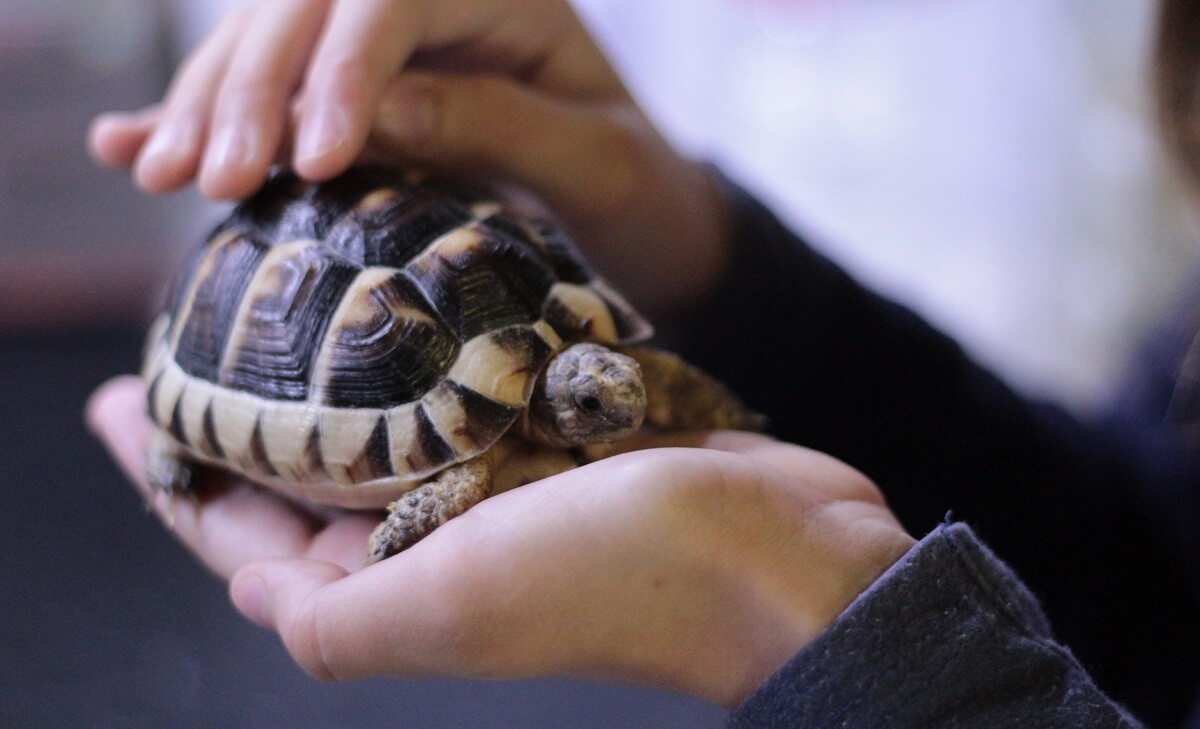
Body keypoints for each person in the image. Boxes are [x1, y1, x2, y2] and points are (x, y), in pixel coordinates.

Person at [86, 0, 1200, 724]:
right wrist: (709, 261)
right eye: (599, 387)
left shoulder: (549, 414)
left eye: (611, 385)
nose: (617, 394)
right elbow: (1156, 575)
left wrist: (850, 644)